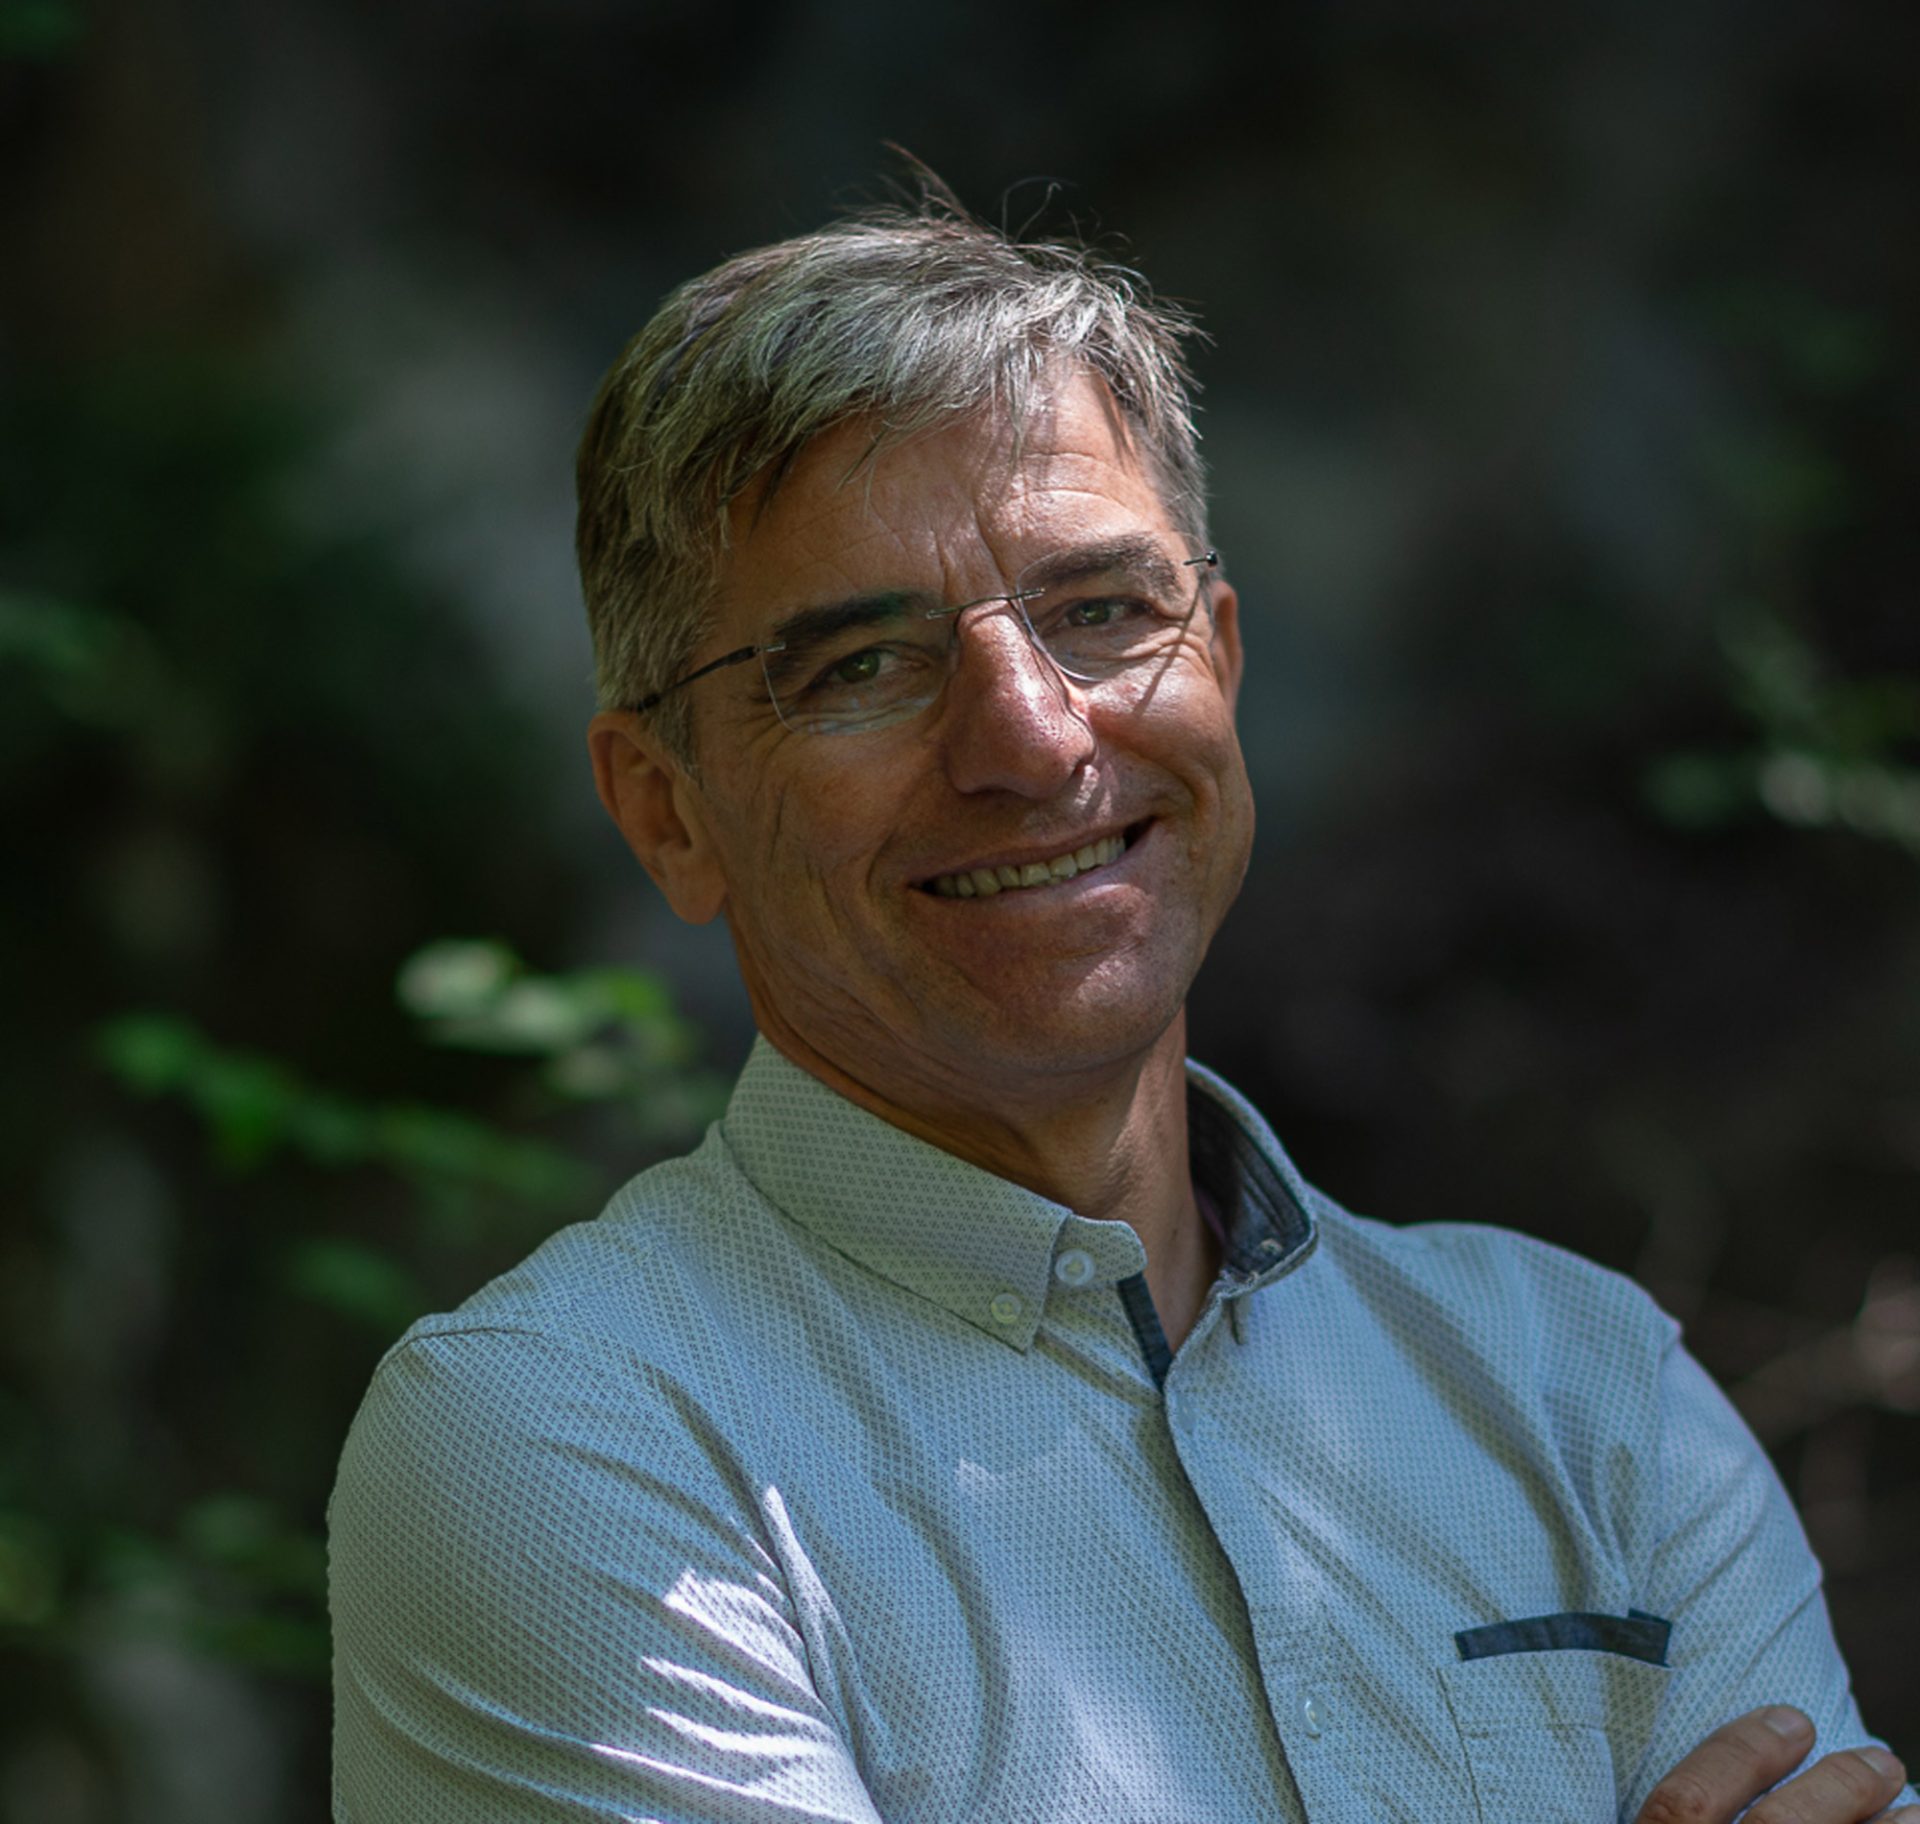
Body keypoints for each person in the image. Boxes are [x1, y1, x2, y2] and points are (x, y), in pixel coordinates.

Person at [329, 192, 1915, 1824]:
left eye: (1100, 611)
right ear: (668, 812)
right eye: (863, 664)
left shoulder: (1590, 1393)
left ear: (1217, 655)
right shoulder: (560, 1443)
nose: (1031, 739)